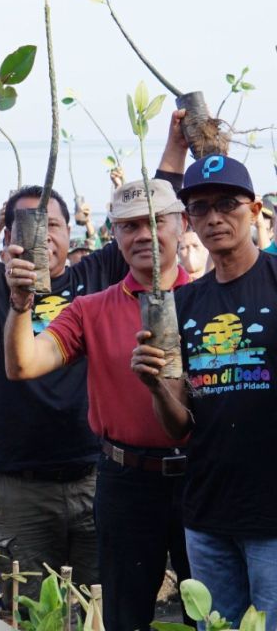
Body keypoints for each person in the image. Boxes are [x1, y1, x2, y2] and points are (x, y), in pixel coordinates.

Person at [0, 111, 187, 593]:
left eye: (52, 224)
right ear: (7, 238)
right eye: (27, 225)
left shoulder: (95, 279)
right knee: (27, 612)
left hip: (95, 479)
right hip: (18, 487)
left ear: (69, 233)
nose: (42, 235)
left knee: (98, 610)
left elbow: (149, 218)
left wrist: (174, 147)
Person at [4, 179, 192, 630]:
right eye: (129, 226)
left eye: (155, 222)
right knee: (125, 617)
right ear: (114, 236)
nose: (143, 234)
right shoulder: (91, 308)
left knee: (207, 612)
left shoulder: (208, 299)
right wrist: (20, 303)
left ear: (181, 225)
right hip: (124, 481)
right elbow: (24, 364)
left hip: (201, 476)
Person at [133, 155, 277, 626]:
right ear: (188, 220)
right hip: (208, 512)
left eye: (227, 204)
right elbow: (179, 426)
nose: (214, 218)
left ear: (254, 210)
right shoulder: (181, 304)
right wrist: (156, 386)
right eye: (199, 208)